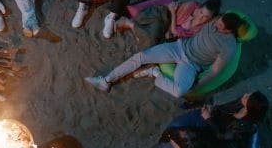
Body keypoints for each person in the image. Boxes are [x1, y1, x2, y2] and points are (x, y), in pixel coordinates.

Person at [84, 13, 243, 97]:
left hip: (191, 64)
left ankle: (155, 73)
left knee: (180, 92)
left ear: (228, 30)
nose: (215, 26)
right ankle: (106, 80)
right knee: (141, 56)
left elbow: (215, 71)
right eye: (217, 22)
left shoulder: (229, 46)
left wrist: (198, 85)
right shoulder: (216, 20)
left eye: (219, 27)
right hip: (179, 47)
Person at [116, 0, 222, 49]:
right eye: (201, 12)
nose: (200, 17)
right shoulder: (192, 5)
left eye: (205, 17)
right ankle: (129, 23)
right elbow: (171, 10)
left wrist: (170, 28)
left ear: (210, 18)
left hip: (166, 25)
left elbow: (176, 32)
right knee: (151, 31)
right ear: (200, 7)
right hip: (163, 14)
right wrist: (172, 13)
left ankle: (129, 24)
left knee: (152, 38)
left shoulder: (200, 28)